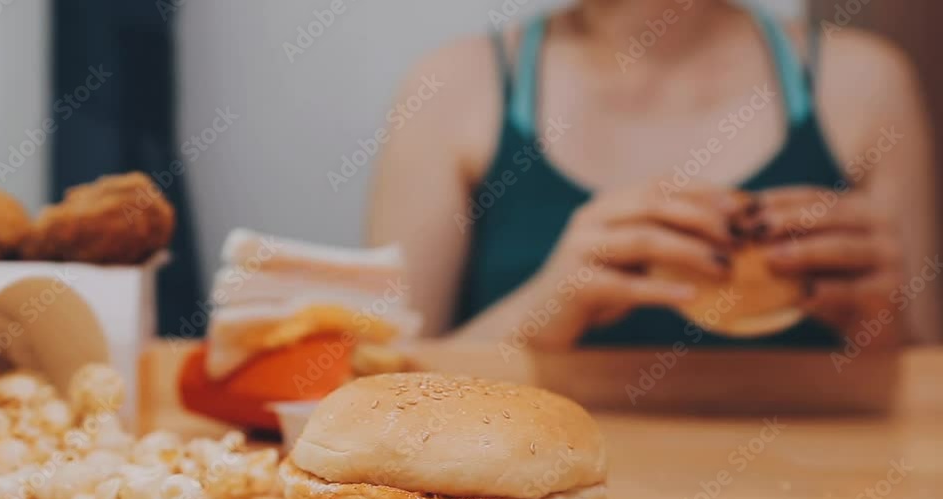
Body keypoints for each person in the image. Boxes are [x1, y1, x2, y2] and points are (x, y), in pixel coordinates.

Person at [368, 0, 936, 351]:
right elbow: (378, 393)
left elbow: (925, 394)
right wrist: (538, 313)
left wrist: (880, 328)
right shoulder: (447, 90)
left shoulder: (867, 85)